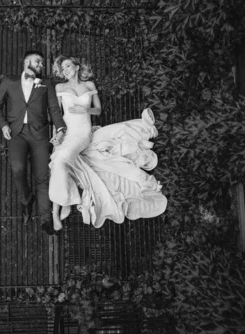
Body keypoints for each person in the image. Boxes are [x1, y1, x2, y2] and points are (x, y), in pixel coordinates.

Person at [49, 55, 167, 231]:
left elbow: (98, 110)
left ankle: (62, 203)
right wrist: (57, 135)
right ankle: (61, 205)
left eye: (67, 66)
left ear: (77, 66)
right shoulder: (60, 87)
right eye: (62, 69)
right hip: (65, 132)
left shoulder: (89, 85)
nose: (65, 71)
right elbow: (57, 115)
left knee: (60, 160)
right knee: (58, 159)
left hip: (82, 133)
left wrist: (84, 109)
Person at [0, 50, 66, 236]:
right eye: (38, 62)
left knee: (42, 177)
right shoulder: (10, 81)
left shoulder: (46, 83)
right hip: (17, 134)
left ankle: (45, 219)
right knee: (18, 170)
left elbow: (54, 109)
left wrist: (60, 129)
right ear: (27, 62)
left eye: (41, 63)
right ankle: (27, 200)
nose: (41, 65)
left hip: (39, 135)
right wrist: (3, 125)